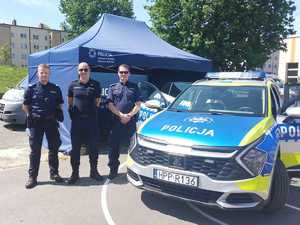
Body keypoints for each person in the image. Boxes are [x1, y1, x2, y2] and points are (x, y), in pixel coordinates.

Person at [23, 64, 64, 189]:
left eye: (46, 73)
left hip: (51, 122)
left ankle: (54, 173)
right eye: (42, 73)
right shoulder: (31, 88)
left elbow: (60, 104)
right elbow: (25, 105)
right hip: (36, 123)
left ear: (49, 74)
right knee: (35, 151)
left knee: (54, 149)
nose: (44, 75)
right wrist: (29, 116)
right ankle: (32, 177)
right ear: (38, 73)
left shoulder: (55, 88)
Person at [67, 62, 103, 184]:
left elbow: (97, 102)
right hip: (77, 123)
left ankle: (94, 171)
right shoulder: (72, 85)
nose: (83, 72)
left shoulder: (96, 85)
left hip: (91, 122)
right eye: (81, 70)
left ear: (89, 71)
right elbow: (70, 103)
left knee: (93, 148)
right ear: (78, 71)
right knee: (75, 150)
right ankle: (75, 173)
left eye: (85, 69)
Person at [107, 64, 142, 179]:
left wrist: (129, 116)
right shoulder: (112, 87)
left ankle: (134, 170)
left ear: (129, 74)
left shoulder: (135, 87)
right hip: (116, 122)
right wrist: (121, 115)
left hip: (130, 122)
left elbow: (138, 105)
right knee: (113, 147)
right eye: (121, 72)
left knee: (133, 148)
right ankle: (113, 170)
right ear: (118, 73)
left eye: (125, 72)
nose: (123, 74)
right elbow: (110, 104)